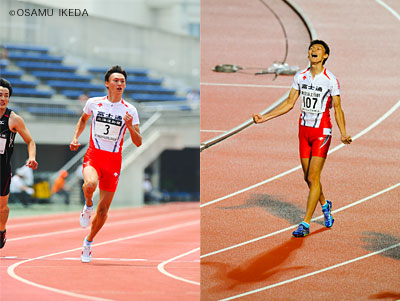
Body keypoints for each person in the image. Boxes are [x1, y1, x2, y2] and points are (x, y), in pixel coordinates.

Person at [253, 40, 352, 237]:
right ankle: (325, 205)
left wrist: (344, 132)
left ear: (325, 56)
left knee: (314, 177)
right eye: (311, 49)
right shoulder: (301, 76)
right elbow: (289, 103)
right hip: (303, 131)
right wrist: (265, 117)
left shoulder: (330, 80)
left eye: (318, 49)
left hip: (321, 132)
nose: (313, 51)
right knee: (308, 178)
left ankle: (305, 223)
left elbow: (338, 108)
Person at [70, 65, 142, 263]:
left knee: (103, 212)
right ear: (107, 84)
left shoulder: (130, 110)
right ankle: (87, 205)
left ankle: (88, 242)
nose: (120, 84)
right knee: (90, 185)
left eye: (123, 81)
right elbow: (83, 120)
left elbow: (138, 142)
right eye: (116, 81)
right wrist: (76, 137)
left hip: (113, 161)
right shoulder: (94, 103)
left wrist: (130, 127)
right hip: (94, 155)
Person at [0, 78, 38, 248]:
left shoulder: (14, 119)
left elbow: (30, 141)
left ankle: (1, 230)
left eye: (6, 95)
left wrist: (31, 157)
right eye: (0, 95)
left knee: (2, 208)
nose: (2, 98)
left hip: (2, 169)